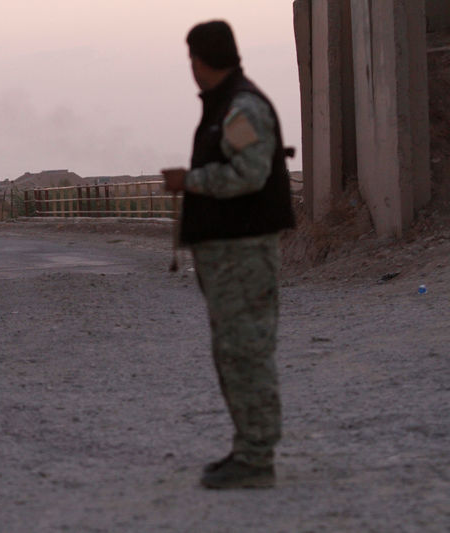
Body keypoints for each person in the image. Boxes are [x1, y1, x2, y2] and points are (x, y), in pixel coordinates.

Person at [162, 20, 295, 489]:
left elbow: (251, 174)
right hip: (229, 256)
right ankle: (248, 449)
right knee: (234, 353)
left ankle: (257, 459)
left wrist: (189, 182)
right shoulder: (227, 106)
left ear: (201, 60)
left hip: (244, 254)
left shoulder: (240, 108)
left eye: (191, 59)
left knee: (246, 352)